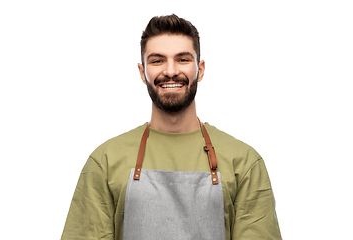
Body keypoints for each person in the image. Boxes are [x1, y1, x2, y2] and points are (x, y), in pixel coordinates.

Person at [61, 14, 282, 240]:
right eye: (157, 60)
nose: (170, 71)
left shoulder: (244, 162)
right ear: (142, 72)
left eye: (183, 59)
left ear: (201, 69)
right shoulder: (105, 161)